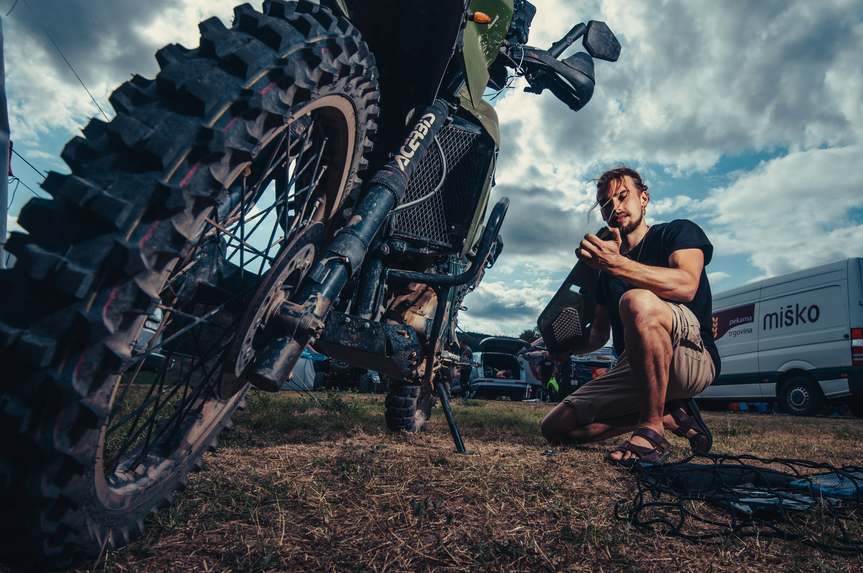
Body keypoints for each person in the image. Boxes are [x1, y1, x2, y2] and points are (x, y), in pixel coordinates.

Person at [540, 166, 721, 464]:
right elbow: (600, 333)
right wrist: (568, 347)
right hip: (636, 366)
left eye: (623, 197)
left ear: (644, 198)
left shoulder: (677, 231)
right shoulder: (605, 269)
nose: (615, 207)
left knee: (636, 301)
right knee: (556, 428)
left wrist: (615, 264)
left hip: (690, 357)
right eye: (606, 204)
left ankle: (651, 433)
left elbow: (687, 285)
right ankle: (666, 413)